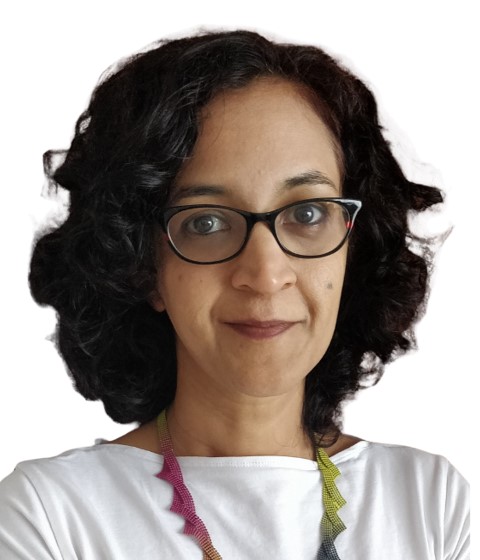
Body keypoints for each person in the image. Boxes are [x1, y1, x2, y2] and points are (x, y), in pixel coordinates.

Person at [0, 29, 469, 559]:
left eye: (307, 213)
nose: (266, 274)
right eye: (205, 222)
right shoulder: (50, 517)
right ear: (143, 265)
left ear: (351, 251)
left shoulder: (432, 505)